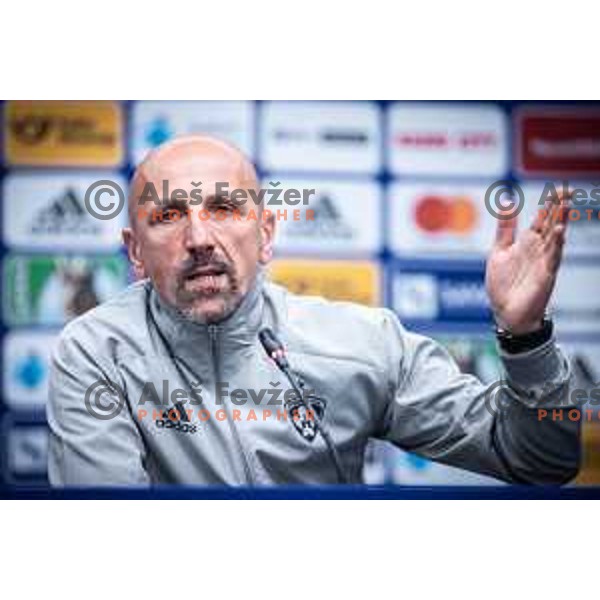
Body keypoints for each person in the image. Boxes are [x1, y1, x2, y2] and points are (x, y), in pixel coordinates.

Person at [47, 135, 580, 486]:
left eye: (225, 209)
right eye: (167, 215)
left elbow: (542, 459)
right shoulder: (96, 353)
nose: (200, 238)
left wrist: (525, 336)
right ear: (135, 251)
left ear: (267, 233)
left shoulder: (362, 343)